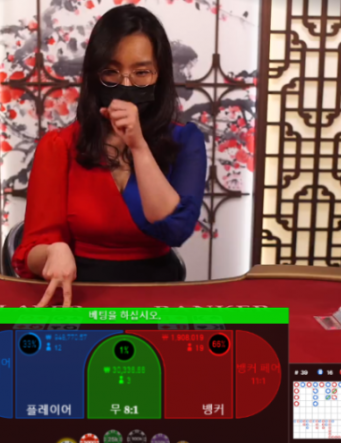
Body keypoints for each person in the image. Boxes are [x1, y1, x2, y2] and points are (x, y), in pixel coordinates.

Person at [12, 4, 207, 307]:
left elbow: (175, 229)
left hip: (157, 296)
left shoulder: (185, 141)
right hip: (79, 295)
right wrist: (53, 251)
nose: (125, 84)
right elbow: (30, 252)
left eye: (141, 73)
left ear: (160, 75)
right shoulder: (59, 145)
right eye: (112, 72)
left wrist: (138, 146)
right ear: (95, 75)